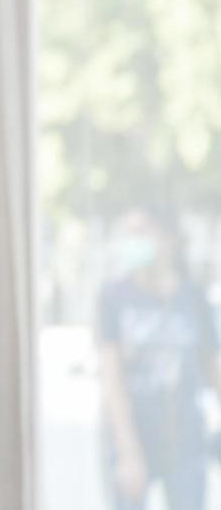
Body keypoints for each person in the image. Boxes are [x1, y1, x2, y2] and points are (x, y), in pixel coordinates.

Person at [98, 203, 221, 510]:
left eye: (141, 231)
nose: (132, 241)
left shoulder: (194, 298)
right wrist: (128, 453)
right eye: (128, 233)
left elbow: (213, 368)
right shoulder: (114, 297)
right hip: (132, 434)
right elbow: (112, 380)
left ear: (167, 238)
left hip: (184, 440)